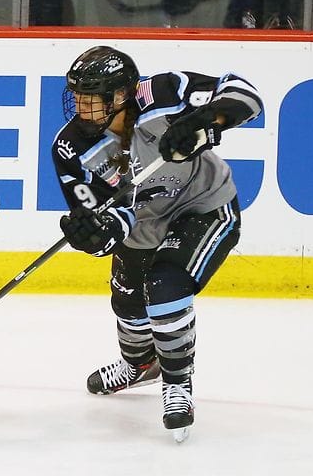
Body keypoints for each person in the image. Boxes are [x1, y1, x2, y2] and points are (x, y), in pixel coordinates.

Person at [52, 46, 262, 439]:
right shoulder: (71, 148)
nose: (80, 105)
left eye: (90, 97)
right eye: (76, 95)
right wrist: (96, 235)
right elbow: (105, 223)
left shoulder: (162, 93)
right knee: (128, 306)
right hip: (143, 226)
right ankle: (140, 365)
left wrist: (204, 120)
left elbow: (246, 95)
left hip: (204, 207)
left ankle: (178, 384)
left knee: (165, 289)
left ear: (120, 96)